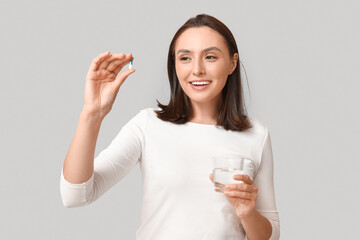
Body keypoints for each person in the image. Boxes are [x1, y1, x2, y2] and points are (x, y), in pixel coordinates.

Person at [60, 14, 280, 240]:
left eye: (210, 57)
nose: (197, 70)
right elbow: (75, 196)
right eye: (185, 58)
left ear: (232, 63)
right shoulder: (147, 125)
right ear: (174, 64)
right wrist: (92, 114)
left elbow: (270, 235)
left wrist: (247, 213)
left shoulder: (256, 135)